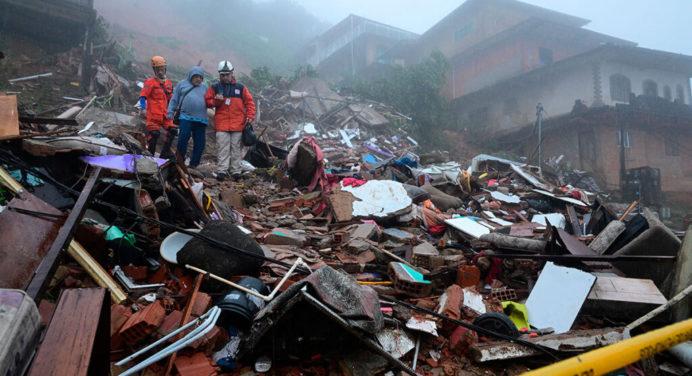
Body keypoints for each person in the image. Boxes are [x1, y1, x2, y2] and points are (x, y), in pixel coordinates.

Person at [205, 60, 255, 181]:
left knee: (236, 148)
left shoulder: (240, 87)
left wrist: (250, 116)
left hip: (238, 124)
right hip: (222, 124)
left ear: (232, 73)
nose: (225, 77)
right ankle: (222, 170)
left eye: (227, 74)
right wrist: (216, 101)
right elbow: (207, 101)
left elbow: (249, 102)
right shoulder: (215, 87)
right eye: (222, 75)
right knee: (223, 148)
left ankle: (236, 171)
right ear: (219, 75)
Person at [167, 66, 209, 168]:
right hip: (185, 117)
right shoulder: (182, 84)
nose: (198, 79)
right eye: (196, 77)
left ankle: (194, 164)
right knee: (183, 137)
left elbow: (211, 100)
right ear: (190, 76)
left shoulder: (205, 87)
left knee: (200, 143)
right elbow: (174, 99)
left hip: (201, 119)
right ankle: (180, 160)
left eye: (200, 77)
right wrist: (170, 111)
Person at [139, 56, 175, 156]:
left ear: (165, 69)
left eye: (162, 69)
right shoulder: (150, 82)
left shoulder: (168, 84)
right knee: (154, 134)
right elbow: (143, 96)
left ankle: (165, 153)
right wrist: (143, 109)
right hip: (153, 115)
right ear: (154, 70)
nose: (160, 72)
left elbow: (171, 99)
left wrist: (173, 110)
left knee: (173, 130)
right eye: (158, 70)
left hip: (165, 114)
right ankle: (150, 154)